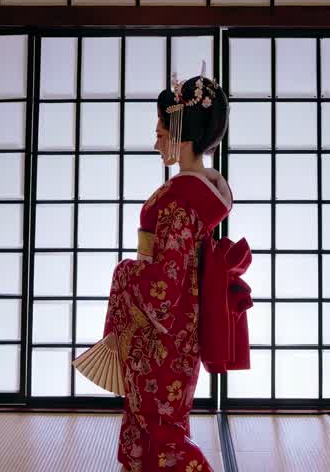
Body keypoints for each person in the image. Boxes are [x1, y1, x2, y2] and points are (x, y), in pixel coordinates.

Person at [74, 72, 234, 472]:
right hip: (168, 330)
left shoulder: (181, 200)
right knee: (148, 429)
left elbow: (164, 287)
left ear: (178, 128)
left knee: (161, 434)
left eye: (160, 130)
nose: (155, 141)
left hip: (165, 333)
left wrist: (125, 273)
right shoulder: (190, 193)